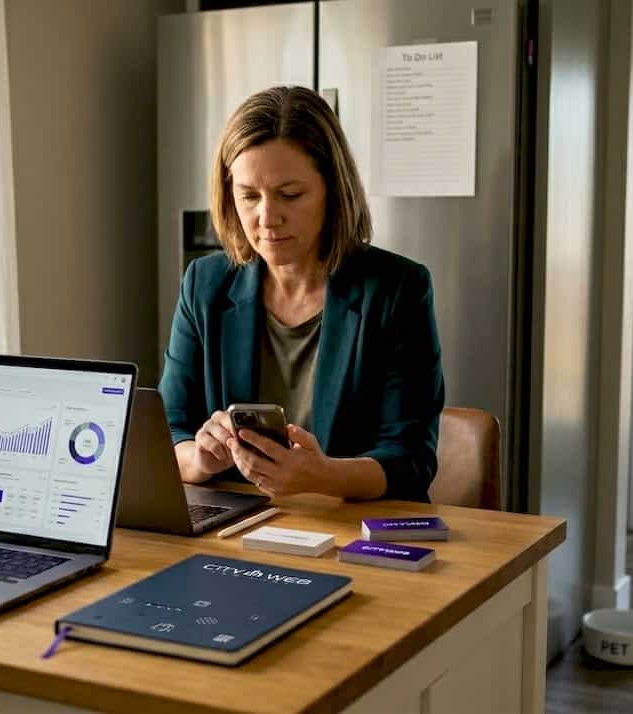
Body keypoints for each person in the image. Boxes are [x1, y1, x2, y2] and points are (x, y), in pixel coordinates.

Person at [158, 86, 446, 503]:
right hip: (237, 528)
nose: (267, 218)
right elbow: (169, 430)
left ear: (332, 189)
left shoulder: (398, 289)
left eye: (290, 195)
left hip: (352, 531)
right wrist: (199, 458)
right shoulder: (205, 283)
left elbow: (412, 461)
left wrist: (321, 476)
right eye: (249, 196)